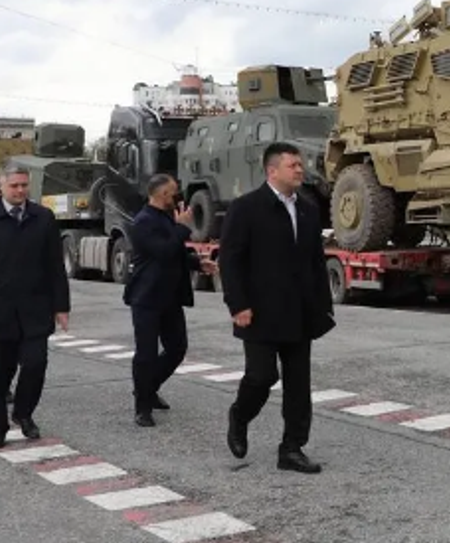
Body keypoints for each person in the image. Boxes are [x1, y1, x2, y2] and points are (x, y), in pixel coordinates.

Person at [220, 142, 335, 473]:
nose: (300, 170)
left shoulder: (309, 209)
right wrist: (237, 303)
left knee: (299, 384)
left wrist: (322, 307)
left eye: (300, 165)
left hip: (299, 311)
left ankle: (292, 448)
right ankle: (239, 416)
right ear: (272, 171)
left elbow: (315, 262)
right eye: (293, 165)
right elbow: (230, 260)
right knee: (262, 375)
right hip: (258, 310)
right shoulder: (246, 208)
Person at [0, 163, 69, 448]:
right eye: (14, 186)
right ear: (1, 187)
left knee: (35, 364)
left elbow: (55, 266)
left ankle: (23, 414)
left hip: (34, 310)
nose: (20, 190)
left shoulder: (43, 218)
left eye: (24, 185)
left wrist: (61, 306)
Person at [124, 173, 214, 428]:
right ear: (162, 194)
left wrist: (197, 263)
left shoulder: (166, 218)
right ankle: (143, 406)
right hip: (147, 296)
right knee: (146, 353)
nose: (178, 197)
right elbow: (162, 252)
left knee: (177, 348)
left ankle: (148, 387)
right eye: (174, 192)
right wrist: (183, 228)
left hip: (171, 295)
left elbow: (175, 252)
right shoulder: (142, 221)